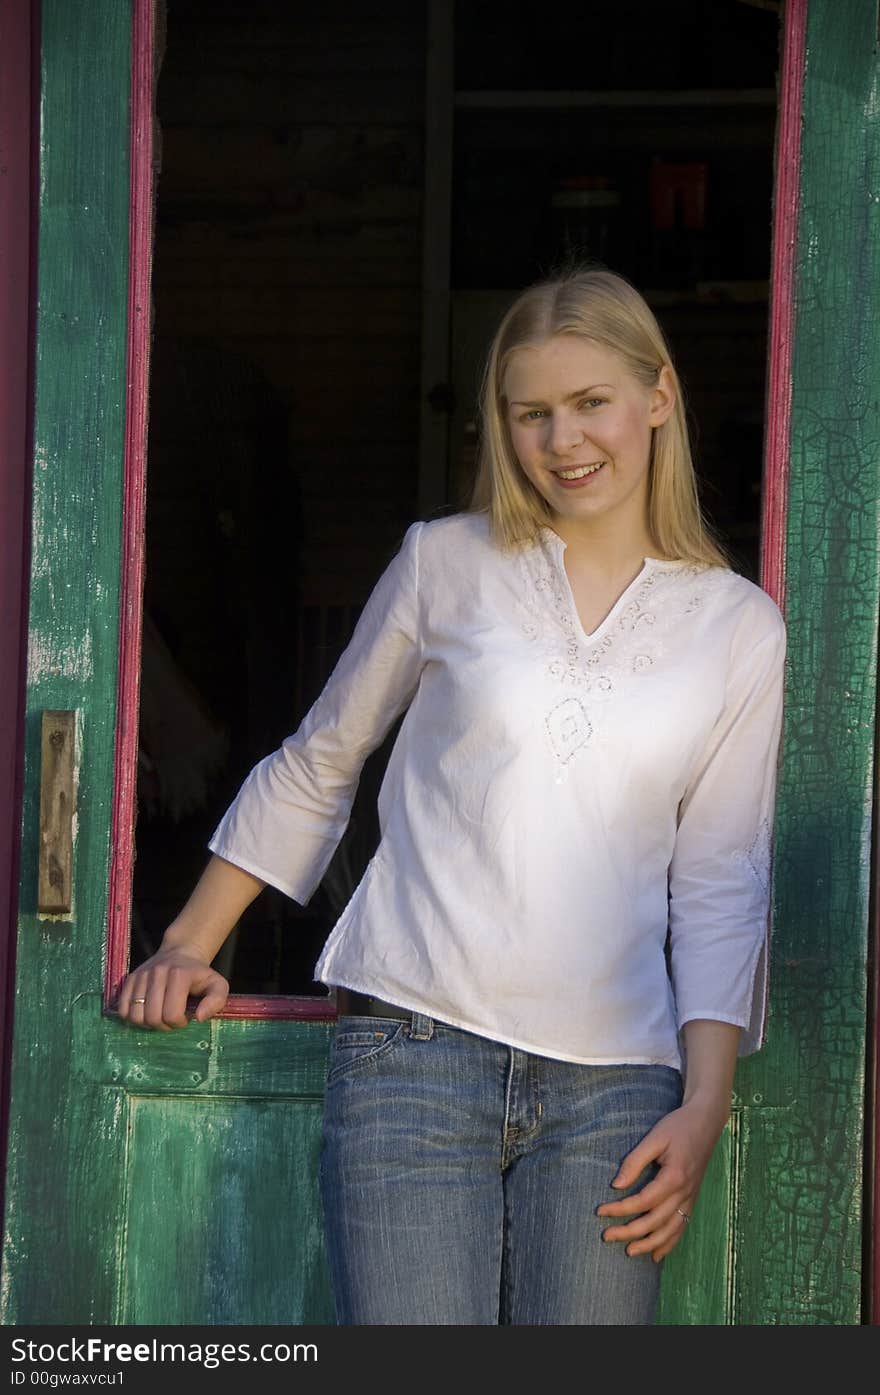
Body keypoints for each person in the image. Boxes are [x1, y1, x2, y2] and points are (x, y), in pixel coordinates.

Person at [116, 265, 786, 1325]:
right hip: (413, 1055)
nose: (564, 441)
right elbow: (321, 759)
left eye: (590, 404)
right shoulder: (445, 563)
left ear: (658, 398)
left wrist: (704, 1101)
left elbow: (719, 879)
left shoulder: (738, 628)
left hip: (616, 1086)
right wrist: (191, 943)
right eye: (531, 414)